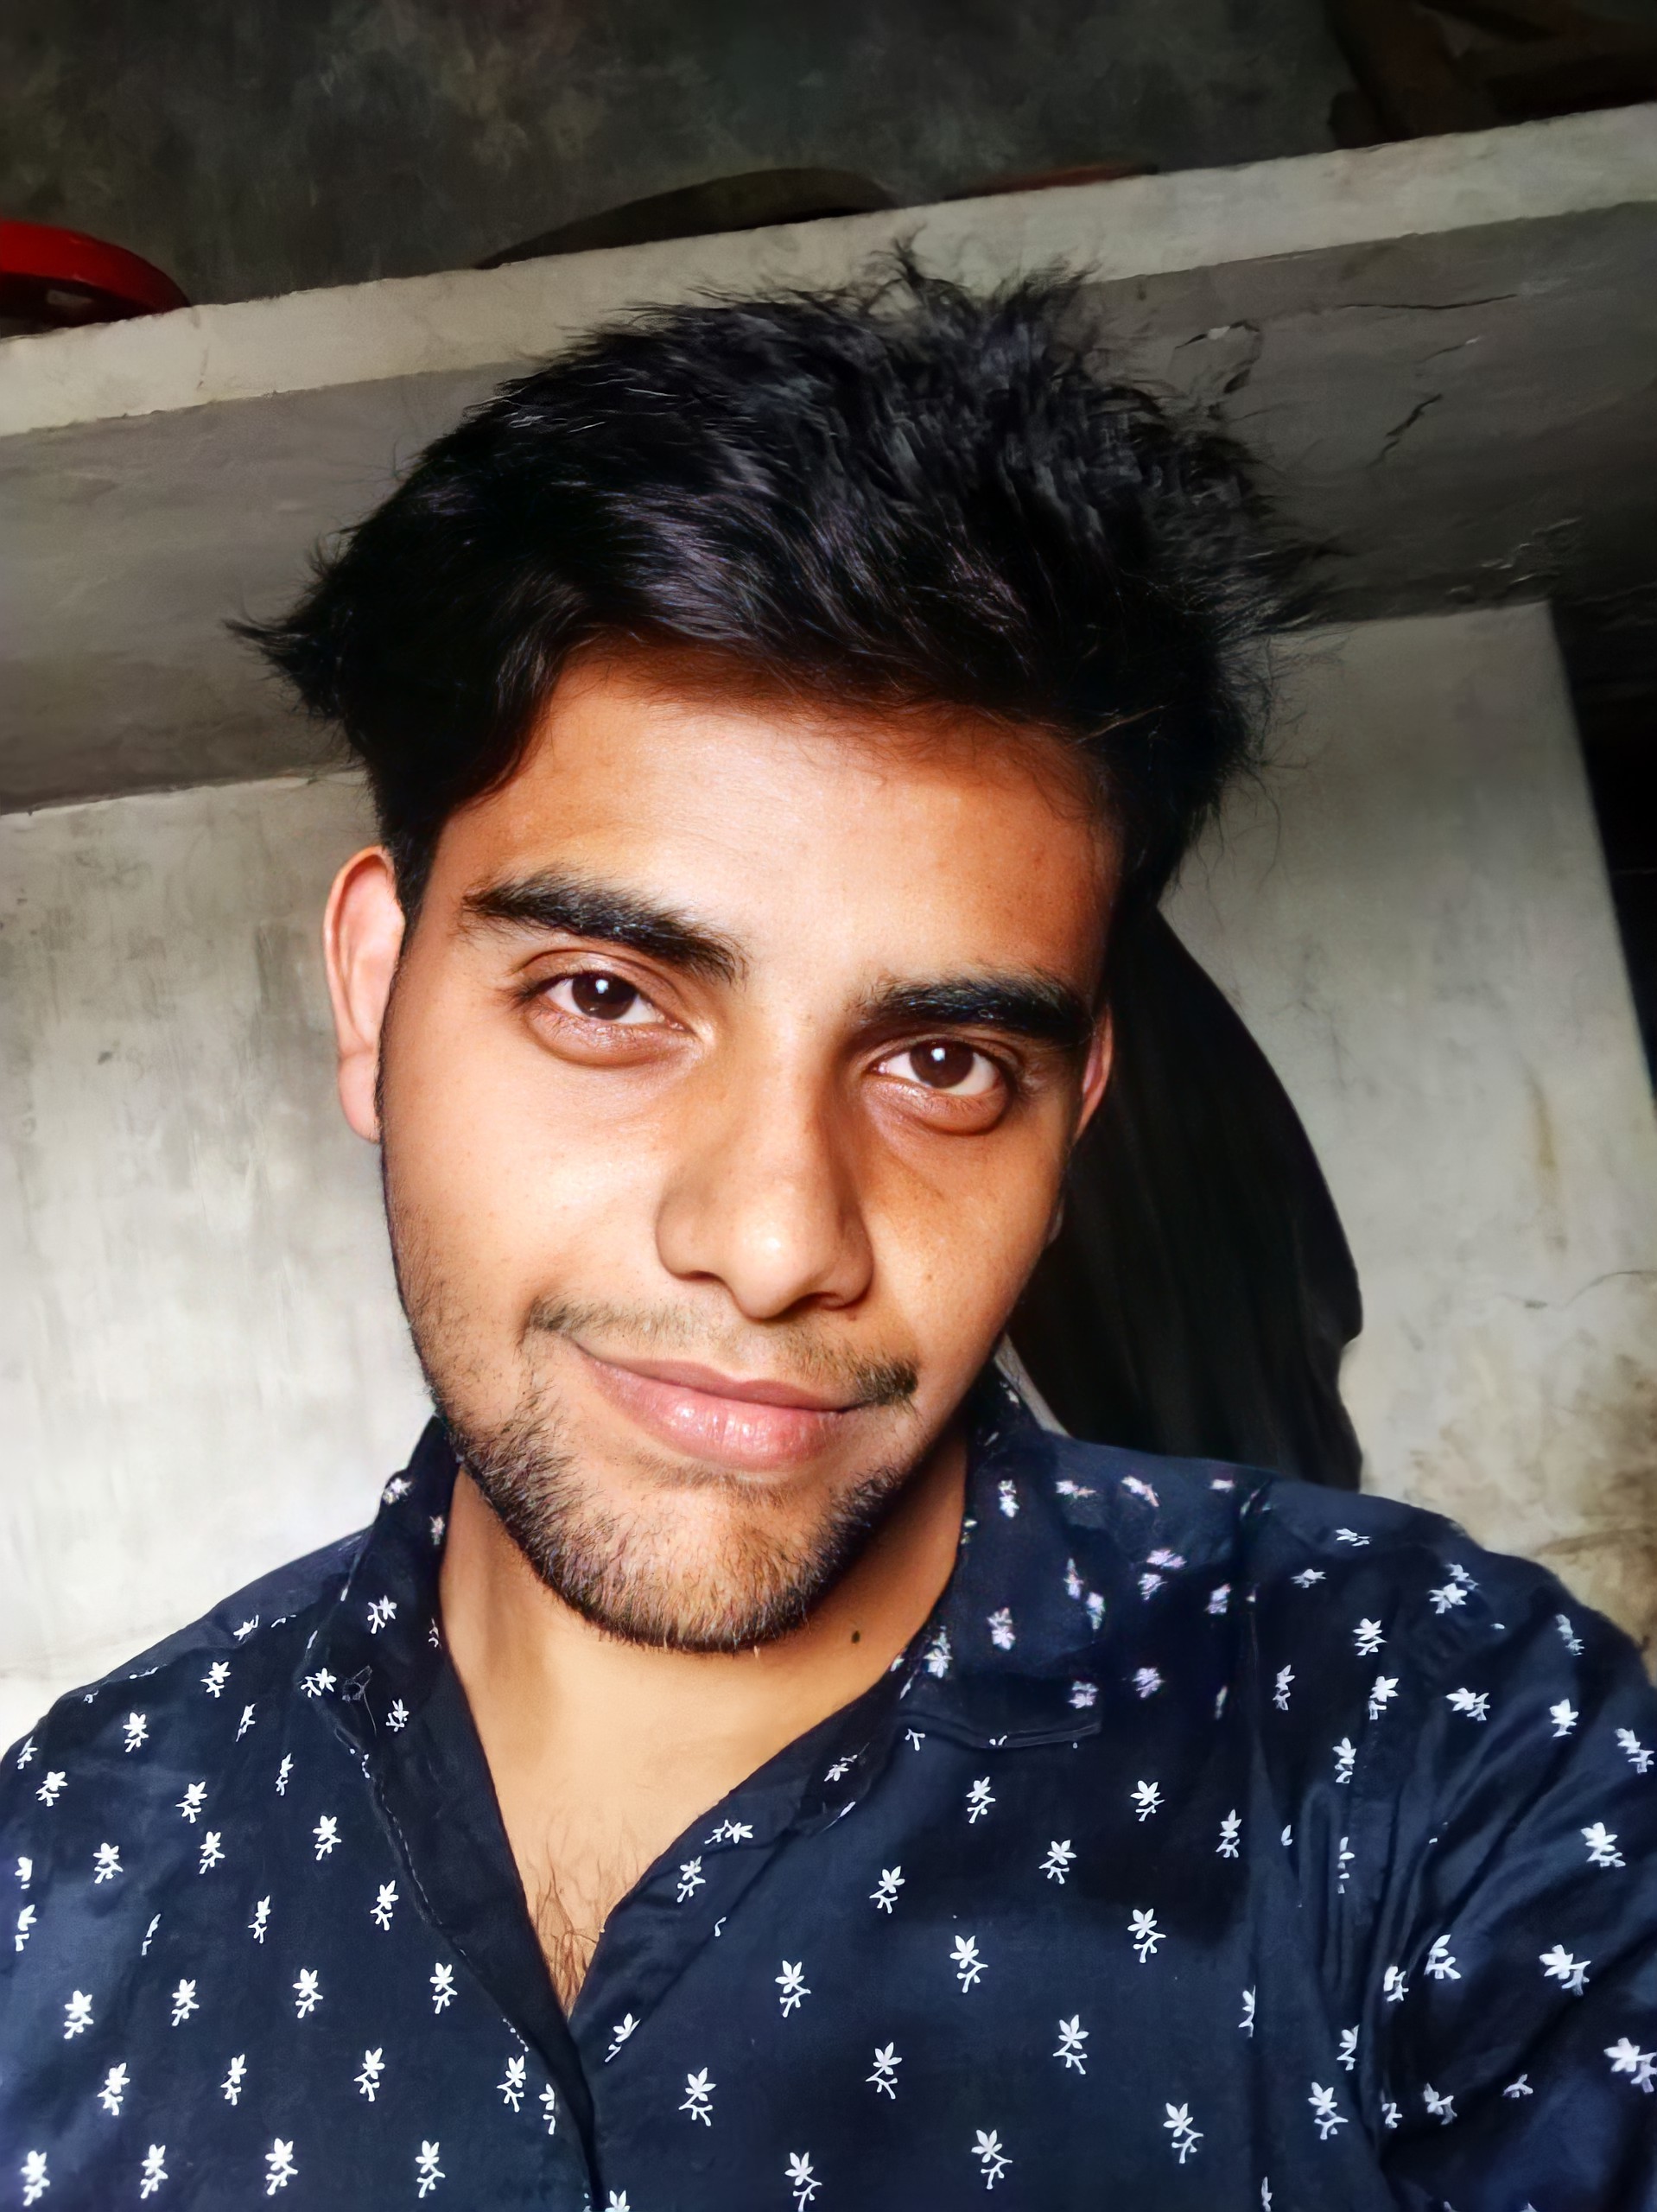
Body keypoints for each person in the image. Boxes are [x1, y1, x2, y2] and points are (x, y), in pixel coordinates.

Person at [3, 268, 1654, 2212]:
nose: (777, 1241)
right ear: (374, 991)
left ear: (1073, 1107)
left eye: (942, 1061)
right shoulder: (68, 1873)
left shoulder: (1436, 1751)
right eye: (606, 997)